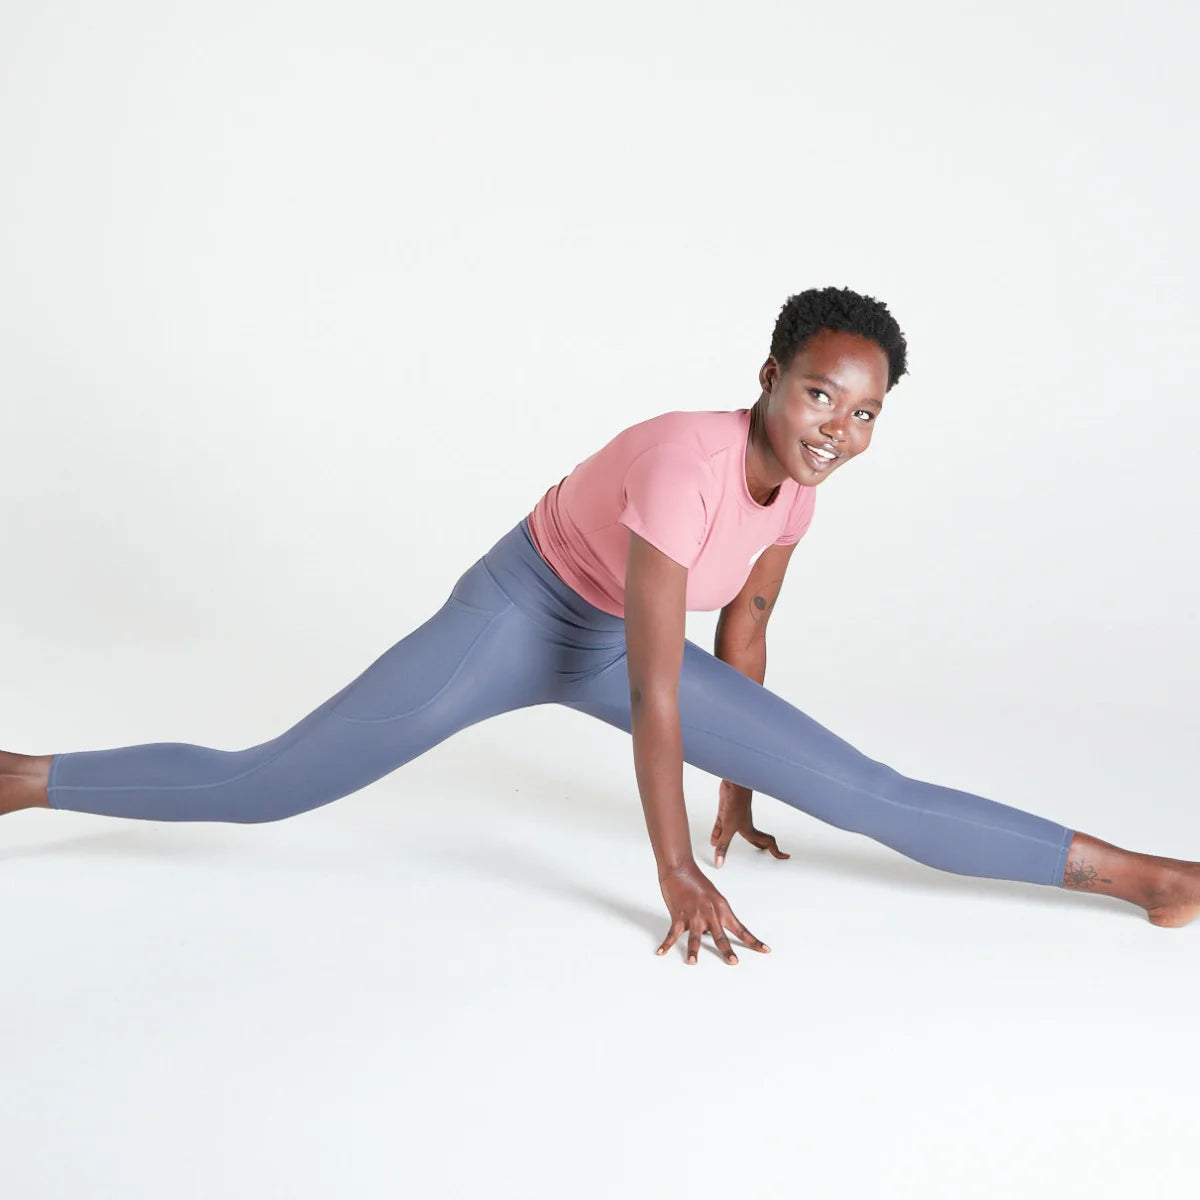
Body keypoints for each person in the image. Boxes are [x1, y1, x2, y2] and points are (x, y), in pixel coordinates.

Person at [4, 286, 1198, 965]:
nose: (837, 426)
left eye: (866, 411)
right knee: (270, 784)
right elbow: (653, 693)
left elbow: (742, 640)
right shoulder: (689, 460)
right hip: (523, 615)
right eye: (820, 394)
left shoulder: (803, 494)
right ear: (772, 374)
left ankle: (1147, 876)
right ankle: (26, 778)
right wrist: (674, 869)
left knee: (868, 791)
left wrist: (743, 787)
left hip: (625, 644)